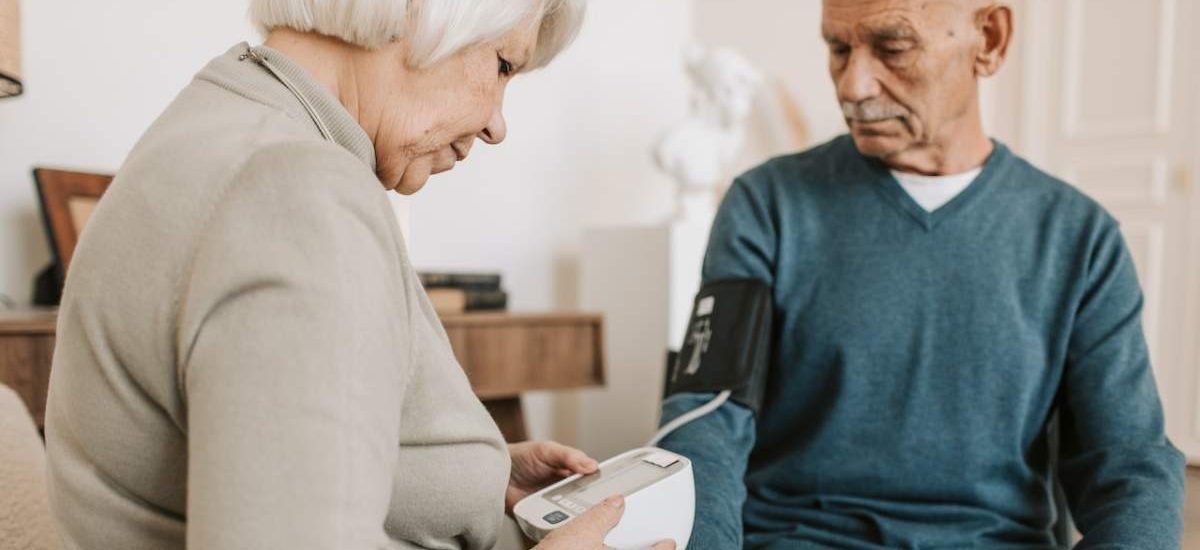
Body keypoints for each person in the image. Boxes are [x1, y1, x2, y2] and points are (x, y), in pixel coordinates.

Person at [43, 1, 673, 549]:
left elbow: (259, 438)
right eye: (503, 65)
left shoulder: (216, 121)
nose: (497, 124)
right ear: (421, 10)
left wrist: (467, 474)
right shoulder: (299, 194)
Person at [656, 1, 1186, 547]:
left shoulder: (1080, 239)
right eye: (838, 49)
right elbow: (708, 417)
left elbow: (1128, 463)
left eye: (893, 48)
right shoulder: (765, 206)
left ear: (990, 38)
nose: (853, 86)